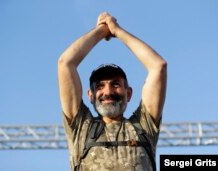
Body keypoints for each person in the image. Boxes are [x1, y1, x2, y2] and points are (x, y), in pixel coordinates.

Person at [58, 12, 167, 171]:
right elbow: (65, 63)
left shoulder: (143, 126)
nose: (108, 92)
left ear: (128, 93)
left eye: (115, 84)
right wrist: (102, 30)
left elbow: (158, 66)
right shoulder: (81, 127)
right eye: (100, 86)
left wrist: (117, 31)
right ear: (90, 95)